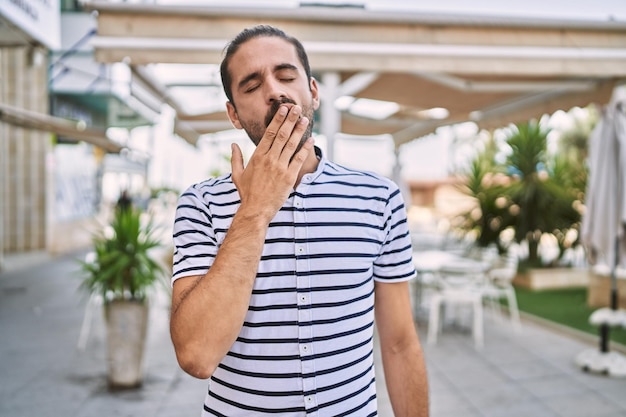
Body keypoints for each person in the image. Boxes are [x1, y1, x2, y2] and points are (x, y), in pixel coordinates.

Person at [170, 25, 429, 416]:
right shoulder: (200, 203)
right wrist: (255, 209)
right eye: (252, 85)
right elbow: (196, 355)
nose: (274, 90)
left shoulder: (379, 198)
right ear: (234, 114)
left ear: (313, 91)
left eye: (286, 75)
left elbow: (399, 343)